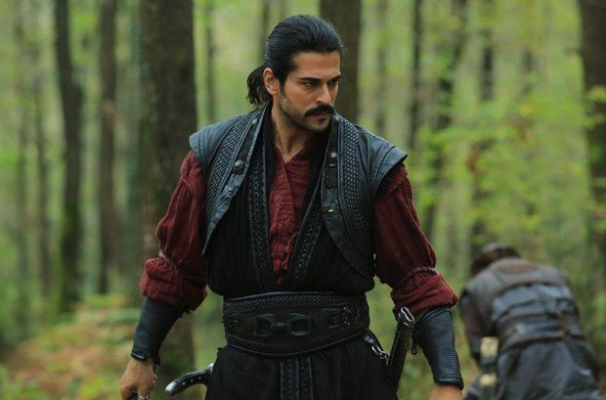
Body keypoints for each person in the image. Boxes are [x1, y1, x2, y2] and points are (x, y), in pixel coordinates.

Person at [119, 15, 464, 400]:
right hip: (245, 378)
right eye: (310, 84)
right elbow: (176, 267)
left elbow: (415, 278)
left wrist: (447, 378)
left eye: (333, 82)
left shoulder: (371, 162)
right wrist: (142, 354)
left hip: (345, 376)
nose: (326, 98)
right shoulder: (214, 155)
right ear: (272, 81)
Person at [459, 243, 601, 400]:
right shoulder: (556, 275)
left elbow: (480, 351)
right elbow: (576, 323)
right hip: (574, 355)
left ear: (479, 268)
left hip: (519, 363)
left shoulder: (477, 286)